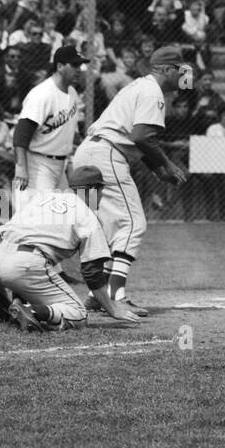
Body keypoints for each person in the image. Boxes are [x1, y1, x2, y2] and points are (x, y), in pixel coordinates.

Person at [69, 45, 190, 314]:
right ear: (166, 70)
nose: (183, 76)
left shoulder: (140, 86)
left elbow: (135, 137)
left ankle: (95, 293)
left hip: (91, 152)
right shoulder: (153, 92)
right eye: (180, 71)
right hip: (106, 155)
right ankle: (115, 295)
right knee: (133, 223)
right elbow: (141, 137)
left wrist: (157, 168)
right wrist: (166, 164)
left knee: (107, 229)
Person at [0, 166, 141, 332]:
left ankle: (5, 300)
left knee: (20, 268)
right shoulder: (87, 216)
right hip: (22, 265)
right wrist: (113, 309)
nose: (101, 196)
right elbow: (92, 274)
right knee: (79, 314)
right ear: (93, 190)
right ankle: (31, 310)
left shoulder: (45, 198)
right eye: (101, 190)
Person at [13, 45, 86, 196]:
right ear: (59, 66)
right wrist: (21, 167)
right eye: (74, 65)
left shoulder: (72, 92)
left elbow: (72, 132)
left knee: (67, 215)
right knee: (37, 217)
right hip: (37, 165)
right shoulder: (42, 95)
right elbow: (21, 133)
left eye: (80, 65)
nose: (79, 69)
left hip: (60, 166)